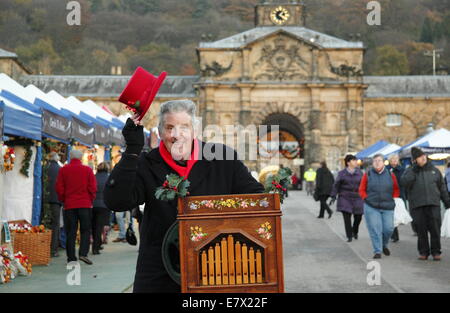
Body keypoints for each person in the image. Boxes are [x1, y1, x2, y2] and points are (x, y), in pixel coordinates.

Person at [104, 99, 264, 293]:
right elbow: (117, 201)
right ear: (160, 132)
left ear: (195, 130)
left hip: (215, 271)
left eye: (184, 127)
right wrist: (131, 152)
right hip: (159, 272)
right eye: (169, 128)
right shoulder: (147, 163)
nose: (176, 135)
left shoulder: (222, 158)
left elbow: (258, 201)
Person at [401, 147, 450, 261]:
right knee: (421, 230)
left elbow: (442, 188)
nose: (423, 158)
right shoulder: (410, 170)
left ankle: (436, 252)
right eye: (419, 157)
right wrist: (414, 170)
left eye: (423, 155)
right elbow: (404, 183)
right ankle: (423, 252)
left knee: (435, 229)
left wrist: (447, 202)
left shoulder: (434, 170)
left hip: (433, 204)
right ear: (414, 160)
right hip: (417, 205)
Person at [56, 149, 97, 265]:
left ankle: (71, 257)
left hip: (69, 205)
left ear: (70, 156)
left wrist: (64, 199)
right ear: (80, 158)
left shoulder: (63, 170)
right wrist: (90, 199)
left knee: (71, 232)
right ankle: (83, 253)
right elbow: (93, 187)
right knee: (85, 230)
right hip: (85, 204)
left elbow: (59, 187)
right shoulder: (87, 170)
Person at [359, 154, 400, 259]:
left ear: (384, 162)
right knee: (375, 229)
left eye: (379, 160)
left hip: (388, 206)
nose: (377, 162)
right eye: (375, 161)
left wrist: (394, 197)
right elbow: (361, 189)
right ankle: (377, 251)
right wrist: (365, 198)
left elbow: (396, 189)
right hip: (371, 206)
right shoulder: (367, 174)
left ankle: (384, 244)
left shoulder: (391, 175)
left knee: (389, 229)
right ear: (372, 163)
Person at [330, 154, 364, 242]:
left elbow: (364, 185)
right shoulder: (342, 173)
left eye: (356, 160)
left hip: (357, 197)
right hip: (345, 197)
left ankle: (354, 231)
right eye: (354, 160)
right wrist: (333, 196)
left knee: (358, 216)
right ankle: (349, 235)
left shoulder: (360, 173)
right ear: (348, 163)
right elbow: (336, 185)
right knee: (347, 217)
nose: (356, 162)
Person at [91, 162, 111, 254]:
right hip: (104, 205)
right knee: (99, 226)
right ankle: (96, 247)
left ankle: (97, 244)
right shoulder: (109, 178)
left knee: (94, 226)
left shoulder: (94, 177)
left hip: (92, 205)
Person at [386, 154, 406, 242]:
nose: (394, 161)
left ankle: (394, 233)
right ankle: (394, 234)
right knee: (390, 215)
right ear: (389, 160)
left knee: (397, 215)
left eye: (396, 159)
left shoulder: (402, 170)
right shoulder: (386, 169)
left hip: (399, 195)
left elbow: (404, 181)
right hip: (388, 195)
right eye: (392, 159)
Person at [46, 152, 62, 258]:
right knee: (55, 224)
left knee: (48, 224)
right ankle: (54, 249)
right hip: (56, 200)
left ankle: (44, 248)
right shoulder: (60, 169)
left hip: (45, 199)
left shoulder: (45, 167)